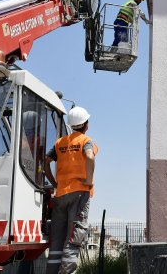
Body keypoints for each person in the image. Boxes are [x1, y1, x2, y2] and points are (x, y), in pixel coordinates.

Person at [44, 106, 98, 274]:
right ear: (85, 124)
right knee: (74, 238)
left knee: (57, 240)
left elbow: (45, 161)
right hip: (79, 194)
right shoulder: (85, 140)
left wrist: (55, 184)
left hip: (60, 195)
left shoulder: (60, 143)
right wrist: (88, 181)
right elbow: (89, 156)